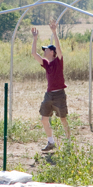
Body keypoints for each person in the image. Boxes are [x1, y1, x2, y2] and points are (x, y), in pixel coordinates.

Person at [31, 20, 70, 152]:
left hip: (59, 94)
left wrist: (54, 32)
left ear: (52, 52)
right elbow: (33, 54)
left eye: (45, 49)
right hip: (49, 94)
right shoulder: (46, 63)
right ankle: (50, 142)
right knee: (44, 119)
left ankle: (69, 143)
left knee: (63, 119)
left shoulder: (58, 61)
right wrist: (35, 39)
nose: (44, 51)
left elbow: (59, 48)